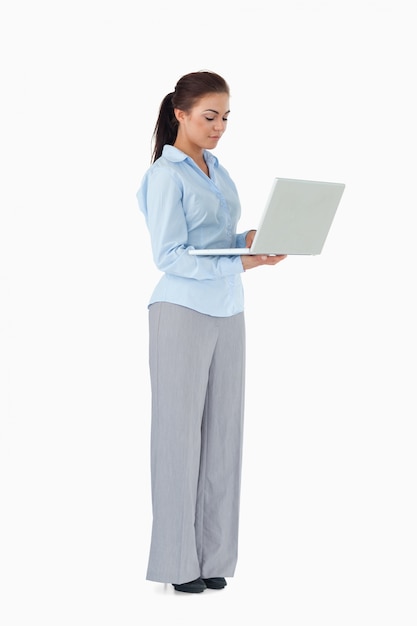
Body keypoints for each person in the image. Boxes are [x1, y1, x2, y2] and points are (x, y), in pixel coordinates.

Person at [137, 70, 286, 593]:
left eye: (225, 117)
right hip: (180, 310)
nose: (220, 126)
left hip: (228, 309)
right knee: (179, 439)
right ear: (180, 114)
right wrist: (242, 263)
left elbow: (218, 240)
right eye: (209, 116)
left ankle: (213, 557)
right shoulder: (165, 175)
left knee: (224, 436)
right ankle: (177, 564)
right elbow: (170, 255)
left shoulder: (219, 171)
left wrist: (252, 240)